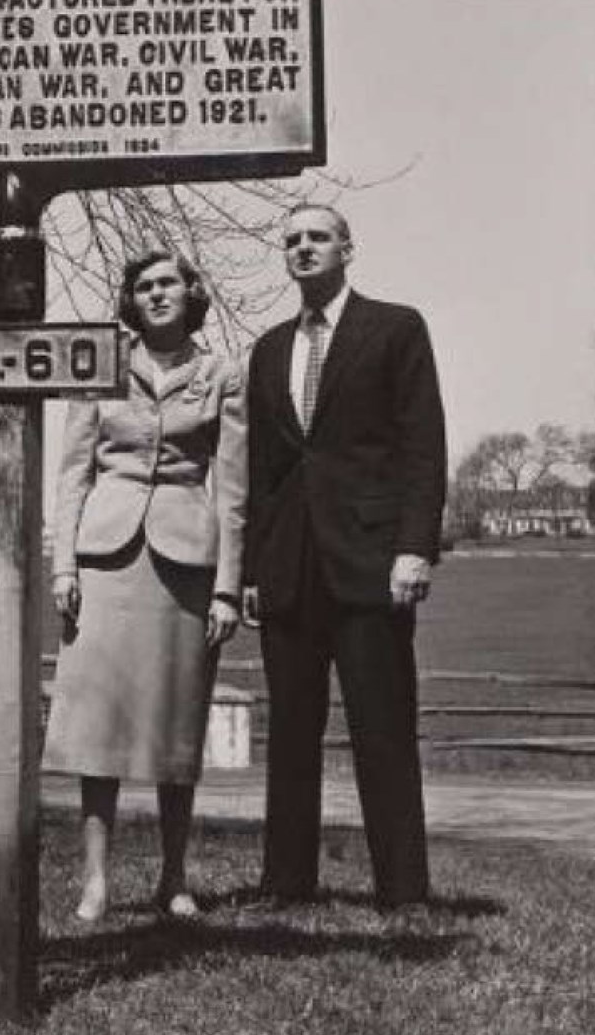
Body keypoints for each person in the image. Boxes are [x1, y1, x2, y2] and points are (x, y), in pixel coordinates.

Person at [243, 204, 447, 910]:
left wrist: (415, 548)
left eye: (318, 237)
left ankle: (404, 893)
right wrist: (249, 572)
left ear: (347, 249)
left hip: (371, 568)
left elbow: (424, 448)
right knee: (291, 735)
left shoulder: (395, 329)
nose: (304, 248)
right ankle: (287, 885)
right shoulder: (269, 349)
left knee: (382, 732)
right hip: (289, 571)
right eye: (292, 240)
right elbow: (262, 470)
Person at [43, 251, 247, 922]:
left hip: (186, 562)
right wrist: (64, 564)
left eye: (169, 284)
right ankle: (95, 881)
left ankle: (174, 877)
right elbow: (73, 473)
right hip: (105, 559)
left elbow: (235, 489)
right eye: (144, 286)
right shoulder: (99, 363)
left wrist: (227, 586)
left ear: (191, 294)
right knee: (97, 723)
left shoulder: (221, 374)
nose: (157, 294)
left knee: (175, 721)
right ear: (131, 298)